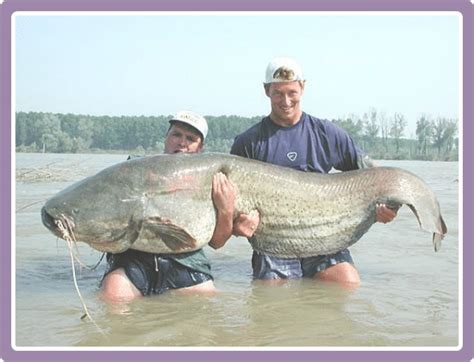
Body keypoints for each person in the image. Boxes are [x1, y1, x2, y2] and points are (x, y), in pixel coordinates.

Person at [229, 57, 398, 287]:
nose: (286, 101)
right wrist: (238, 226)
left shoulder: (328, 134)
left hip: (325, 239)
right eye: (278, 93)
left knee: (347, 284)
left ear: (303, 87)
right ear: (266, 90)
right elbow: (229, 204)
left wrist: (387, 208)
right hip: (274, 242)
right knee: (269, 299)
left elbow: (375, 178)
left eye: (292, 92)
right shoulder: (248, 143)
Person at [100, 110, 242, 302]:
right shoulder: (134, 169)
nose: (182, 142)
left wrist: (226, 210)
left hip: (187, 262)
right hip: (135, 260)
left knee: (208, 303)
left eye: (190, 138)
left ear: (200, 149)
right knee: (113, 297)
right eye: (176, 134)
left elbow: (217, 242)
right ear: (166, 138)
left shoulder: (216, 182)